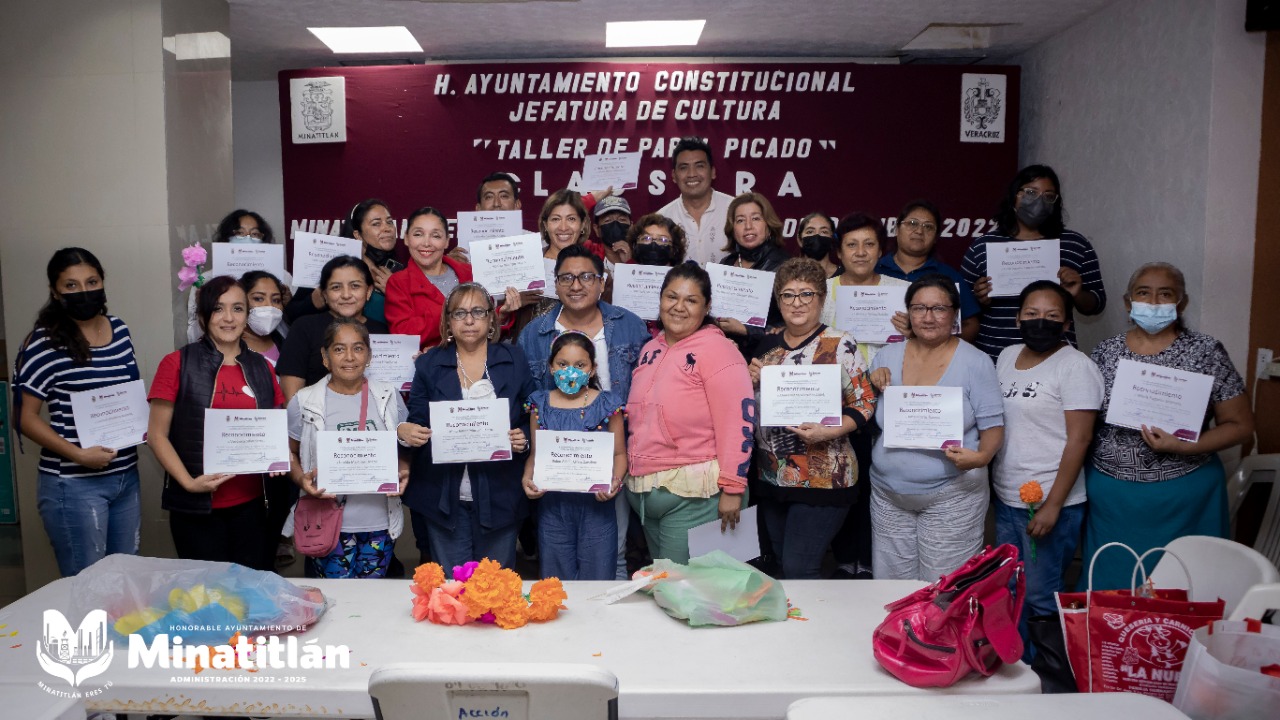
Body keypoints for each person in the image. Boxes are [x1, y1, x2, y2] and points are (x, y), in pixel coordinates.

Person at [1083, 262, 1254, 590]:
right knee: (1113, 590)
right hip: (1113, 501)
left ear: (1182, 303)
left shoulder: (1207, 353)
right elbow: (1085, 423)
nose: (1154, 301)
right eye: (1143, 293)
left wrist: (1183, 445)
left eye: (1166, 294)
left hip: (1185, 498)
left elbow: (1241, 426)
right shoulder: (1104, 353)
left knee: (1185, 589)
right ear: (1128, 302)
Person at [516, 243, 648, 578]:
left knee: (612, 550)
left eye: (587, 276)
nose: (577, 285)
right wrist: (532, 469)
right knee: (557, 555)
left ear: (602, 281)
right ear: (556, 283)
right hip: (557, 473)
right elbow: (527, 404)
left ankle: (602, 624)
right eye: (568, 278)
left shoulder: (631, 325)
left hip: (616, 454)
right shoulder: (534, 334)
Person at [14, 248, 142, 577]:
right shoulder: (43, 342)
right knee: (87, 585)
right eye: (71, 286)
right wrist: (78, 454)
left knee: (123, 579)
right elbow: (25, 418)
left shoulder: (120, 329)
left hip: (126, 476)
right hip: (74, 483)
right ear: (55, 292)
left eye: (91, 281)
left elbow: (128, 394)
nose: (83, 291)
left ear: (102, 282)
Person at [868, 275, 1004, 581]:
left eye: (938, 308)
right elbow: (869, 415)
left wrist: (981, 458)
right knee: (891, 588)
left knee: (942, 589)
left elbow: (994, 427)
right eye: (919, 308)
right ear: (908, 313)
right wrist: (872, 380)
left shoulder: (976, 362)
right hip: (888, 494)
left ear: (954, 314)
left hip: (952, 496)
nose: (928, 317)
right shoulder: (886, 356)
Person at [746, 258, 876, 579]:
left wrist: (827, 431)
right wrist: (748, 381)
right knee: (779, 565)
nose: (797, 302)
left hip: (824, 477)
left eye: (807, 294)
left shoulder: (838, 343)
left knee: (799, 568)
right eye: (788, 295)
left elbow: (865, 402)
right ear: (778, 301)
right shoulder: (765, 347)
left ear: (821, 298)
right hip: (772, 475)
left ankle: (815, 628)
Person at [147, 275, 285, 571]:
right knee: (207, 597)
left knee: (251, 597)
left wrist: (276, 458)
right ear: (203, 316)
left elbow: (275, 424)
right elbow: (157, 435)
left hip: (253, 508)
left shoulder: (261, 367)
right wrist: (188, 482)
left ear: (247, 316)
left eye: (237, 308)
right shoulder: (177, 364)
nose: (228, 318)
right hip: (196, 508)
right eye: (218, 309)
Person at [994, 280, 1103, 650]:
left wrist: (1054, 504)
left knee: (1042, 595)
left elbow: (1080, 439)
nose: (1041, 322)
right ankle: (1015, 665)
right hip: (1007, 497)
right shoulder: (1007, 356)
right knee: (1008, 587)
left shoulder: (1076, 367)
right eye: (1032, 314)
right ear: (1017, 319)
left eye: (1052, 316)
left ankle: (1048, 674)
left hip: (1050, 503)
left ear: (1068, 324)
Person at [401, 283, 535, 570]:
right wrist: (408, 432)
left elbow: (531, 412)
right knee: (453, 592)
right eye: (460, 313)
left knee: (496, 588)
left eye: (478, 311)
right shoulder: (429, 364)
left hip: (501, 493)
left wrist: (523, 436)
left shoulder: (514, 359)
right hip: (442, 494)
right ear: (448, 321)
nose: (470, 320)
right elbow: (417, 418)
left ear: (491, 320)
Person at [626, 264, 754, 563]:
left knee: (686, 591)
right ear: (660, 300)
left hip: (695, 495)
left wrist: (733, 488)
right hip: (646, 492)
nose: (679, 307)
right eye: (671, 297)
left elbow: (739, 421)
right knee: (664, 588)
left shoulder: (719, 350)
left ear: (706, 306)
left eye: (691, 300)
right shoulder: (650, 348)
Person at [817, 212, 911, 579]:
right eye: (851, 245)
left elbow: (936, 335)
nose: (860, 252)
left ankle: (874, 560)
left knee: (878, 482)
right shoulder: (825, 290)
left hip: (890, 401)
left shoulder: (901, 291)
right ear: (839, 251)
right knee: (846, 480)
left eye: (869, 244)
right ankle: (844, 559)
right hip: (841, 402)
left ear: (881, 250)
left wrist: (913, 329)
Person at [286, 318, 414, 578]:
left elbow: (403, 445)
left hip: (379, 522)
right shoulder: (304, 401)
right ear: (325, 356)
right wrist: (302, 480)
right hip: (327, 522)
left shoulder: (389, 396)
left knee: (370, 600)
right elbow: (288, 453)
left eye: (357, 348)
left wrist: (403, 469)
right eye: (339, 349)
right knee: (334, 602)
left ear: (369, 355)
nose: (349, 357)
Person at [963, 164, 1107, 361]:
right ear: (1014, 195)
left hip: (1053, 358)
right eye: (1031, 192)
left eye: (1049, 196)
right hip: (993, 355)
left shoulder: (1075, 244)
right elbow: (960, 307)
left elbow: (1096, 304)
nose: (1039, 201)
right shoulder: (983, 246)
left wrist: (1077, 293)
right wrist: (978, 298)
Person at [521, 332, 627, 580]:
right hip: (553, 509)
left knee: (597, 581)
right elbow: (536, 453)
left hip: (597, 509)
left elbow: (620, 454)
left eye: (580, 365)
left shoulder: (608, 404)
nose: (570, 371)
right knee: (555, 584)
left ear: (592, 369)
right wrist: (527, 479)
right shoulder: (539, 404)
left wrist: (615, 482)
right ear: (550, 367)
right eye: (562, 364)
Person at [277, 255, 389, 401]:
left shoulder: (382, 331)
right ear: (324, 294)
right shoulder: (304, 328)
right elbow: (291, 398)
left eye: (355, 286)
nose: (346, 295)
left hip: (372, 419)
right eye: (336, 287)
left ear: (368, 291)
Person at [875, 200, 980, 342]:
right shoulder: (874, 269)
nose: (919, 231)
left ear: (936, 237)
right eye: (912, 223)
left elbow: (971, 325)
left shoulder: (948, 275)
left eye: (928, 227)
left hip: (934, 361)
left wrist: (939, 343)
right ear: (897, 229)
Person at [286, 199, 400, 326]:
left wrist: (397, 291)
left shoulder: (399, 271)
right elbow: (291, 314)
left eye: (389, 222)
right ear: (357, 234)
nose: (387, 228)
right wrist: (313, 302)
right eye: (376, 224)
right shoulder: (330, 267)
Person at [385, 206, 475, 349]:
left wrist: (502, 314)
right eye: (418, 234)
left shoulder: (469, 272)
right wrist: (454, 310)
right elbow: (403, 335)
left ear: (446, 241)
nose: (426, 243)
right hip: (432, 367)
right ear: (407, 238)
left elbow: (488, 318)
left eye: (436, 236)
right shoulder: (398, 283)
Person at [714, 192, 792, 357]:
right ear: (732, 228)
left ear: (768, 225)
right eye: (740, 220)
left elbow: (794, 323)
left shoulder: (786, 266)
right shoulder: (725, 265)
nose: (748, 226)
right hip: (725, 353)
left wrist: (745, 329)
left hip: (769, 356)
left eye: (756, 218)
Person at [186, 209, 281, 343]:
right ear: (226, 238)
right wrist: (203, 305)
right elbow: (193, 335)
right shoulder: (207, 279)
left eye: (255, 234)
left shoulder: (281, 276)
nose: (248, 239)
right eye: (239, 233)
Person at [658, 137, 734, 266]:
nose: (692, 174)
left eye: (699, 166)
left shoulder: (734, 210)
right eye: (683, 167)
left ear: (713, 172)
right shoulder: (662, 218)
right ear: (674, 176)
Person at [238, 270, 288, 365]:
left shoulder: (285, 344)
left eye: (276, 300)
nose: (269, 305)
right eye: (258, 298)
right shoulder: (228, 346)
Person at [796, 212, 839, 278]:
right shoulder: (787, 276)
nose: (817, 236)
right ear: (800, 240)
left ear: (832, 239)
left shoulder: (846, 276)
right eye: (810, 232)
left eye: (824, 232)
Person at [593, 194, 633, 265]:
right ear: (596, 229)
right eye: (607, 220)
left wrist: (629, 263)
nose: (615, 224)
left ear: (631, 226)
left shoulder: (643, 257)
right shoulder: (588, 257)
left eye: (622, 219)